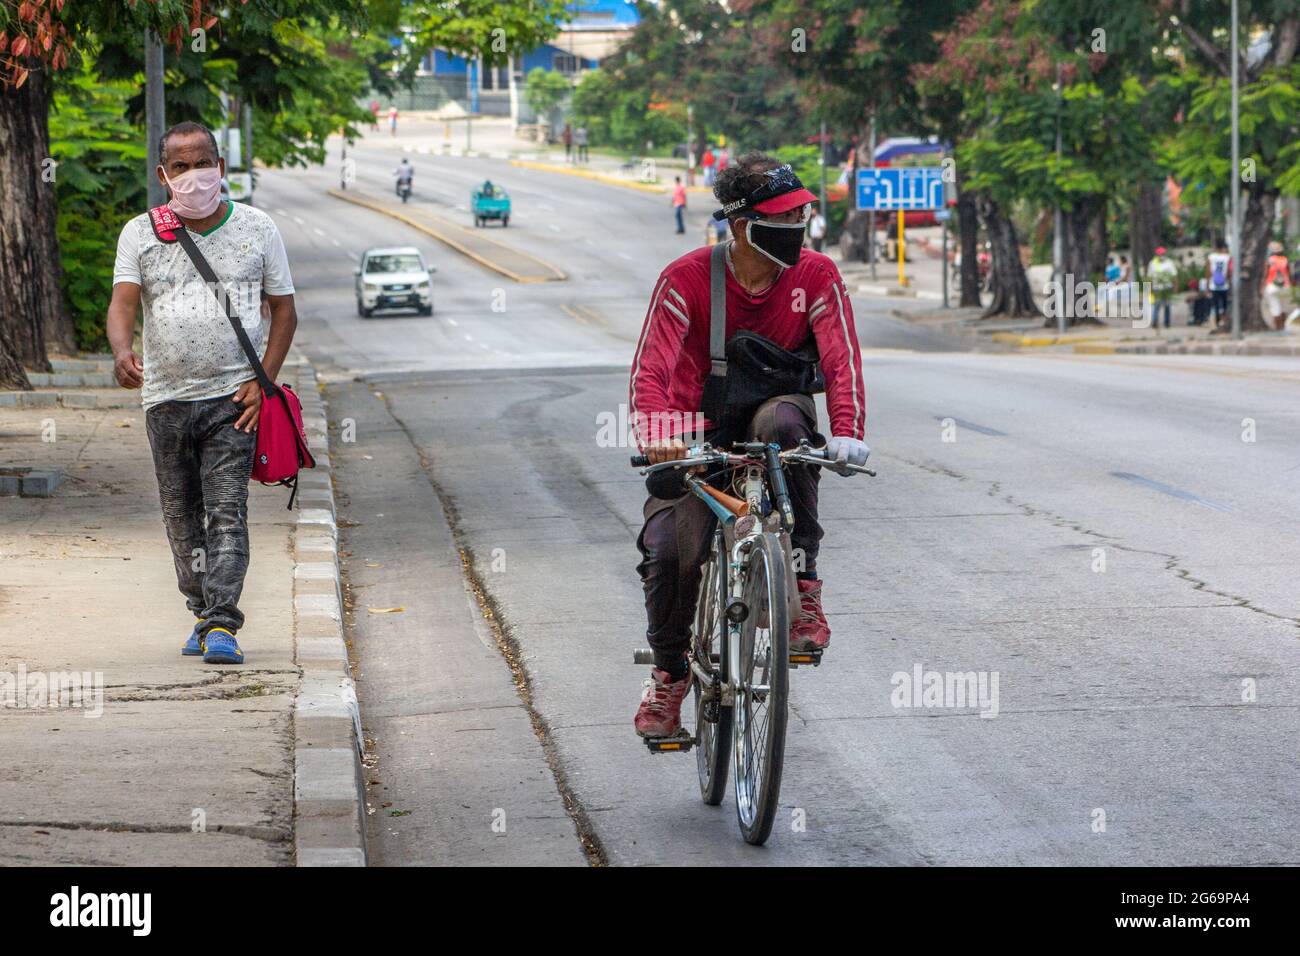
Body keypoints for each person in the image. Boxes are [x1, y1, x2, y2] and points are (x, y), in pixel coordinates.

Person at [629, 152, 867, 738]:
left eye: (800, 219)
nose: (796, 231)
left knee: (790, 428)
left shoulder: (816, 276)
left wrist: (848, 431)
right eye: (782, 221)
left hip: (769, 425)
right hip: (693, 436)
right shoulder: (683, 279)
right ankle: (668, 679)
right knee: (666, 551)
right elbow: (650, 372)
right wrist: (660, 436)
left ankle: (804, 588)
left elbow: (841, 360)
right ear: (740, 226)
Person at [106, 121, 298, 666]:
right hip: (164, 400)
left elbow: (284, 311)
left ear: (221, 166)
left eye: (203, 163)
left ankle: (222, 623)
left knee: (227, 511)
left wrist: (264, 382)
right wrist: (122, 351)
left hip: (232, 401)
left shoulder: (258, 229)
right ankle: (200, 608)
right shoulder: (140, 233)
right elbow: (123, 304)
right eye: (182, 167)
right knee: (181, 515)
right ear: (164, 175)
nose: (195, 176)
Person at [1262, 240, 1291, 330]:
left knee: (1275, 308)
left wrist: (1262, 286)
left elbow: (1265, 274)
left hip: (1272, 286)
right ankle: (1283, 327)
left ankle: (1278, 328)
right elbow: (1289, 273)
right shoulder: (1285, 260)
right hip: (1285, 286)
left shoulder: (1269, 260)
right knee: (1284, 308)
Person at [1147, 246, 1177, 329]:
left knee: (1167, 306)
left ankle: (1167, 323)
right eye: (1160, 254)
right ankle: (1154, 322)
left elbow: (1174, 275)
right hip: (1156, 287)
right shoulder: (1152, 263)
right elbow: (1149, 277)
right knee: (1156, 305)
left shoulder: (1169, 263)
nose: (1161, 255)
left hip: (1167, 287)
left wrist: (1175, 287)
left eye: (1163, 254)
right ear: (1157, 254)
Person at [1205, 241, 1231, 329]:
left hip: (1214, 284)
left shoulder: (1211, 257)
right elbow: (1229, 271)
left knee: (1215, 305)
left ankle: (1217, 322)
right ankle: (1223, 321)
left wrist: (1207, 285)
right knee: (1224, 305)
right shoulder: (1227, 257)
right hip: (1225, 284)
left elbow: (1208, 272)